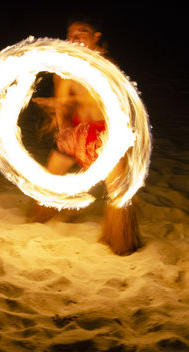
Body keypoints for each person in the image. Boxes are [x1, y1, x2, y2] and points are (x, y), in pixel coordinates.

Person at [29, 16, 141, 256]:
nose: (74, 37)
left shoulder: (106, 65)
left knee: (118, 192)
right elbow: (63, 103)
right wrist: (61, 125)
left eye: (82, 31)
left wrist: (64, 102)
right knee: (50, 180)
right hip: (77, 131)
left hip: (105, 135)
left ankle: (121, 243)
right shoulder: (65, 68)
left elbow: (111, 101)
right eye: (71, 33)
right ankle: (40, 220)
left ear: (95, 36)